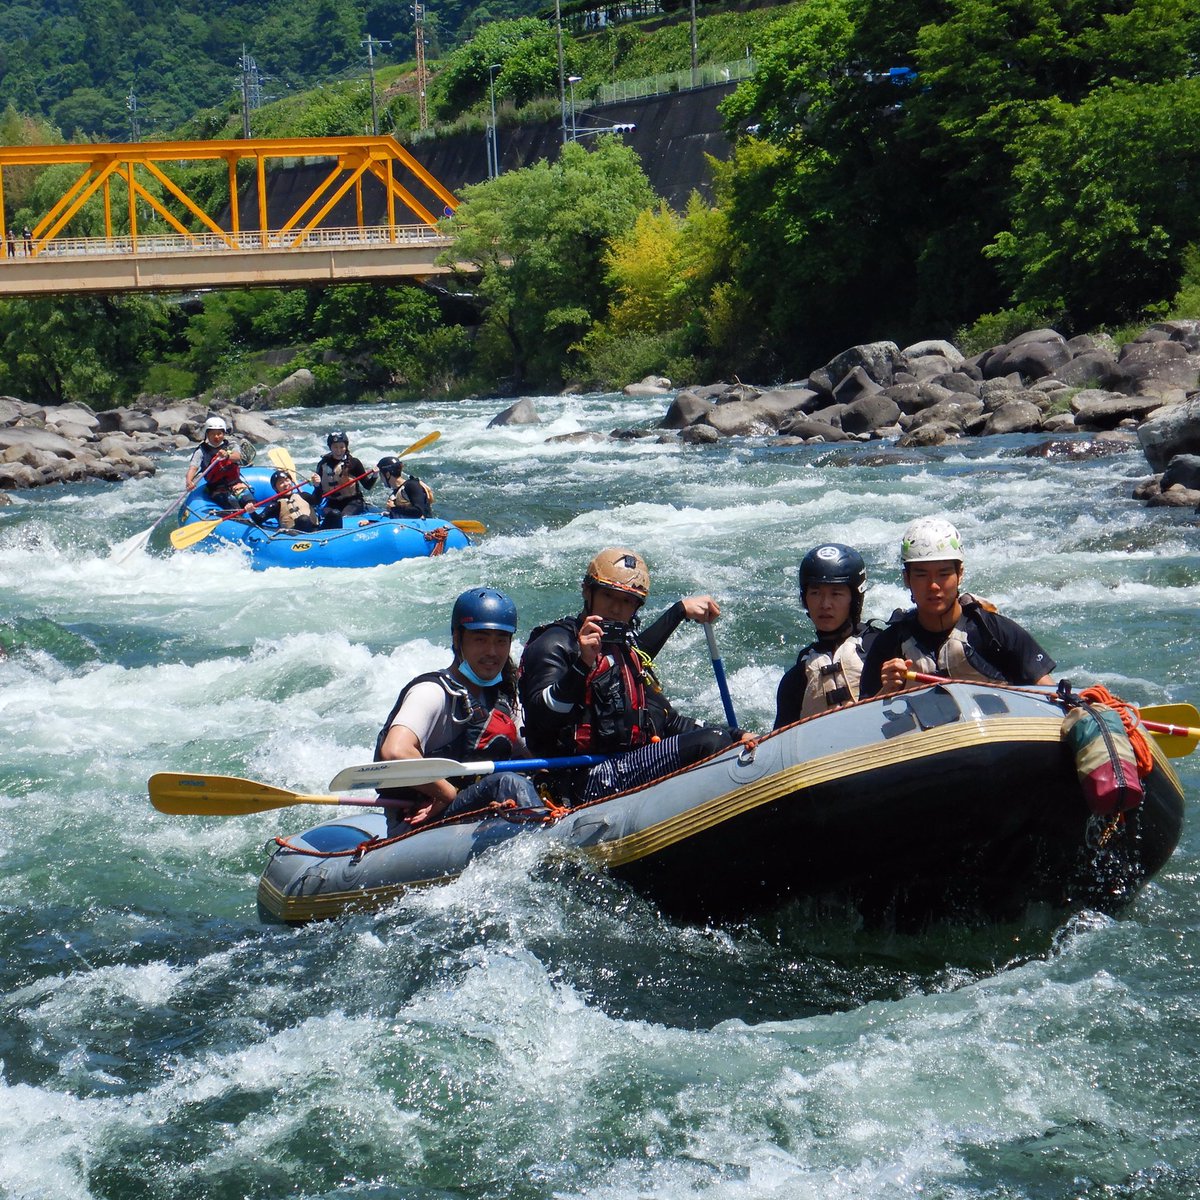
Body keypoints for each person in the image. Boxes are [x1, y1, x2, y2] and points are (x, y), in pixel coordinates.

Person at [519, 547, 738, 805]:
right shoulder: (555, 643)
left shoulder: (624, 652)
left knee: (722, 740)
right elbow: (542, 717)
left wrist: (736, 735)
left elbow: (668, 720)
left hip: (625, 766)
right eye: (608, 595)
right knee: (711, 744)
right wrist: (582, 665)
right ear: (587, 592)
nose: (616, 608)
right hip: (580, 778)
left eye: (627, 601)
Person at [374, 588, 543, 835]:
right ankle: (543, 843)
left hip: (476, 813)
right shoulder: (432, 692)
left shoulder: (503, 695)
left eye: (501, 640)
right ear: (457, 639)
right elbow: (395, 752)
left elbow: (524, 756)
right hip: (419, 826)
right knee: (506, 782)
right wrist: (446, 793)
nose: (492, 652)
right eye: (481, 639)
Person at [858, 516, 1056, 698]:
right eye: (921, 575)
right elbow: (862, 723)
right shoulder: (889, 645)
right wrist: (888, 689)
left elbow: (1050, 695)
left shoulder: (993, 632)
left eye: (943, 574)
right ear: (906, 579)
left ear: (959, 574)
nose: (933, 585)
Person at [775, 543, 878, 727]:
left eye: (836, 593)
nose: (825, 604)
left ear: (854, 599)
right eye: (815, 593)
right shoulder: (797, 677)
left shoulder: (882, 647)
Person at [184, 416, 255, 513]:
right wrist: (189, 481)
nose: (216, 437)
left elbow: (237, 457)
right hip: (216, 487)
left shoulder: (231, 445)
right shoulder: (201, 451)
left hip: (235, 482)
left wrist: (227, 456)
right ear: (207, 434)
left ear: (224, 434)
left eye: (219, 433)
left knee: (249, 501)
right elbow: (193, 468)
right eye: (213, 434)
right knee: (232, 505)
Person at [310, 431, 376, 527]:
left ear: (346, 447)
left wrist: (375, 475)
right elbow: (318, 495)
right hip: (332, 502)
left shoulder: (354, 463)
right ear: (330, 447)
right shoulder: (322, 464)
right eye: (335, 447)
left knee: (343, 518)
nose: (339, 450)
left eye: (342, 447)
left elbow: (367, 486)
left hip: (353, 501)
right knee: (329, 515)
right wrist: (316, 485)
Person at [251, 469, 319, 532]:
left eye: (287, 480)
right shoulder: (276, 505)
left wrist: (317, 486)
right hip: (295, 535)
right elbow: (259, 520)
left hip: (315, 531)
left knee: (330, 513)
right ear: (275, 488)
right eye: (281, 483)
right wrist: (252, 512)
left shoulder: (303, 495)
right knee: (303, 519)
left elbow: (317, 500)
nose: (286, 484)